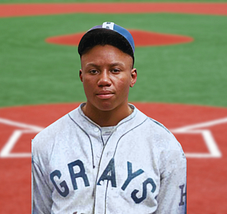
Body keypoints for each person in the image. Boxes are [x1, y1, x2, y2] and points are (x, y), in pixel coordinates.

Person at [32, 22, 187, 214]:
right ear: (82, 76)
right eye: (93, 71)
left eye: (115, 70)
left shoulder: (165, 146)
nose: (104, 80)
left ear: (133, 77)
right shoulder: (46, 143)